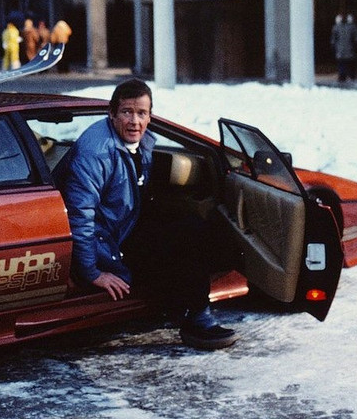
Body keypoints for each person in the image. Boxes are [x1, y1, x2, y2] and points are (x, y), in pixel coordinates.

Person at [59, 79, 237, 350]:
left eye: (141, 113)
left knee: (193, 223)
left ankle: (183, 303)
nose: (134, 121)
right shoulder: (96, 152)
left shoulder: (138, 143)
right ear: (112, 114)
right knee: (188, 235)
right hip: (106, 243)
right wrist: (92, 272)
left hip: (122, 226)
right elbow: (79, 217)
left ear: (150, 116)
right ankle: (196, 318)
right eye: (127, 112)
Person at [330, 13, 357, 83]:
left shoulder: (335, 27)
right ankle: (352, 76)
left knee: (341, 63)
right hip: (350, 49)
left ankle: (342, 76)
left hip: (340, 49)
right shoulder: (353, 27)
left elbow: (333, 39)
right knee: (350, 63)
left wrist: (333, 46)